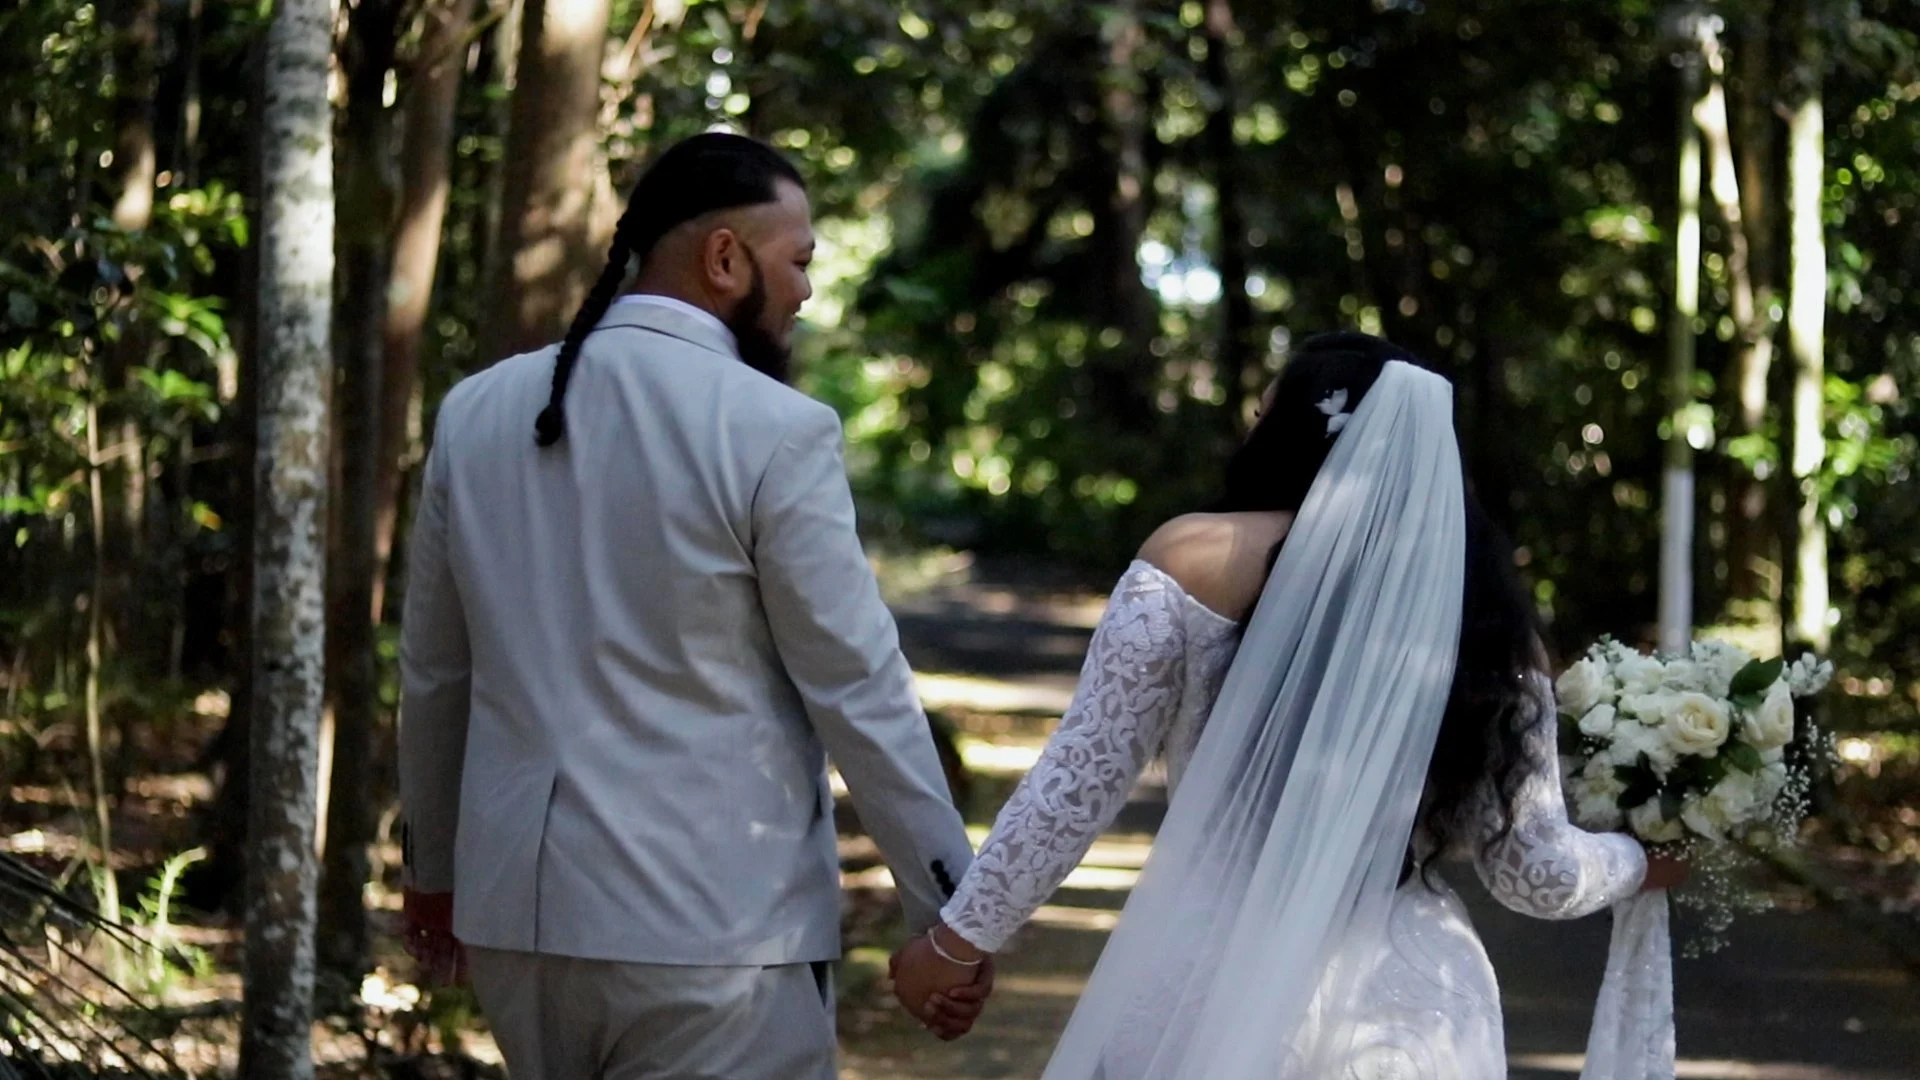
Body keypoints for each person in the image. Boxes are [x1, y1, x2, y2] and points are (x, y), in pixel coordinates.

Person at [892, 332, 1685, 1077]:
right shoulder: (1492, 629)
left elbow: (1081, 778)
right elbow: (1535, 874)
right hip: (1410, 1006)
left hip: (1203, 973)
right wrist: (1641, 861)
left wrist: (959, 943)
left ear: (1291, 434)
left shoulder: (1193, 559)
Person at [396, 132, 983, 1080]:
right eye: (798, 262)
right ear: (723, 258)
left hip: (521, 929)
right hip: (712, 936)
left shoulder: (476, 410)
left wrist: (433, 874)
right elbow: (857, 685)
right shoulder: (775, 430)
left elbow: (434, 672)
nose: (804, 291)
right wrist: (955, 911)